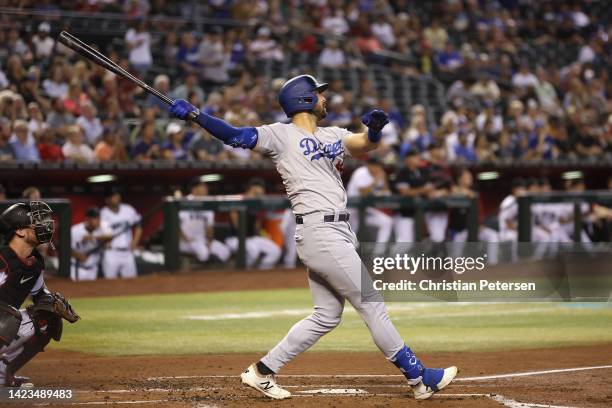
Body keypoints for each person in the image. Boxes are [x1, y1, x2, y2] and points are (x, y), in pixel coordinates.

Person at [170, 74, 456, 400]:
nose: (324, 99)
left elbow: (364, 145)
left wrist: (374, 131)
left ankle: (262, 372)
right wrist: (196, 116)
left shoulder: (332, 134)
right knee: (371, 303)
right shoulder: (280, 135)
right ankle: (419, 378)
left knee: (327, 315)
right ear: (304, 99)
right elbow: (235, 136)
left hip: (336, 232)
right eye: (319, 94)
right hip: (320, 230)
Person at [0, 201, 80, 387]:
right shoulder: (3, 260)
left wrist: (52, 301)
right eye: (36, 222)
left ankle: (3, 375)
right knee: (9, 317)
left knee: (48, 317)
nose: (44, 225)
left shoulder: (34, 263)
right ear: (20, 231)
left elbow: (39, 294)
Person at [225, 179, 282, 269]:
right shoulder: (239, 199)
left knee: (275, 250)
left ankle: (261, 272)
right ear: (253, 188)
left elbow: (256, 226)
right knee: (253, 250)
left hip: (251, 238)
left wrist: (263, 235)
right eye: (261, 188)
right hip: (235, 238)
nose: (263, 191)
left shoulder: (256, 204)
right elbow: (236, 225)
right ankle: (242, 273)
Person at [346, 157, 393, 252]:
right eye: (377, 166)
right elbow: (363, 192)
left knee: (386, 222)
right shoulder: (361, 172)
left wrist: (383, 179)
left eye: (380, 166)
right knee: (353, 231)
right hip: (351, 208)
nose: (379, 168)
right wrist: (376, 181)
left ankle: (378, 253)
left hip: (366, 209)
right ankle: (348, 257)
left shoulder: (378, 174)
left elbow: (386, 191)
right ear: (370, 166)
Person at [179, 179, 230, 264]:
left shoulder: (207, 204)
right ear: (194, 190)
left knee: (225, 252)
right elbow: (175, 226)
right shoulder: (184, 203)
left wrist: (209, 242)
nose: (206, 190)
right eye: (203, 187)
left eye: (206, 188)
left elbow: (209, 227)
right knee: (203, 253)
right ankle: (197, 274)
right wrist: (186, 239)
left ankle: (213, 273)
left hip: (202, 240)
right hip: (186, 241)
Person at [100, 189, 141, 279]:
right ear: (107, 200)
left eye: (117, 196)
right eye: (113, 197)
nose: (116, 198)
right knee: (110, 282)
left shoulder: (128, 209)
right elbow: (101, 232)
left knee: (132, 282)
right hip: (111, 252)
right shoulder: (103, 213)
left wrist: (135, 241)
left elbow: (139, 225)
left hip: (127, 252)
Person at [70, 207, 113, 281]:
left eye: (99, 218)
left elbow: (110, 237)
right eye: (95, 218)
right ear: (87, 219)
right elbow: (65, 248)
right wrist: (77, 255)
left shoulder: (102, 227)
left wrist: (93, 237)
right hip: (77, 268)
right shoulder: (75, 230)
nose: (98, 221)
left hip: (93, 270)